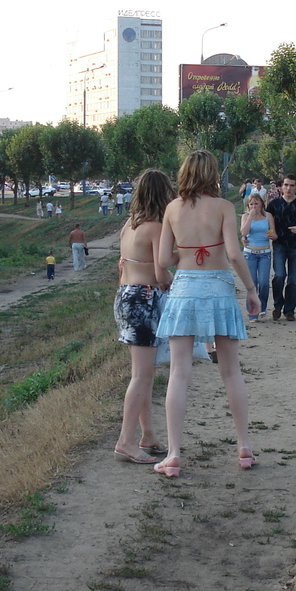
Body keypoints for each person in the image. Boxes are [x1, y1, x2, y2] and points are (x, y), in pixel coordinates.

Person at [152, 150, 260, 478]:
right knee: (231, 372)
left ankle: (172, 454)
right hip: (219, 290)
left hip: (185, 291)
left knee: (179, 374)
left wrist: (182, 256)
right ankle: (243, 446)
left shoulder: (172, 209)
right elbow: (234, 254)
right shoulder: (225, 208)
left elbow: (163, 262)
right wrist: (252, 291)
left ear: (184, 173)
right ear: (213, 174)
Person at [113, 169, 178, 464]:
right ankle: (126, 440)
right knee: (142, 375)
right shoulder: (154, 227)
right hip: (144, 299)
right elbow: (160, 272)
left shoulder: (129, 225)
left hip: (125, 297)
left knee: (142, 373)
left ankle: (147, 435)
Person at [267, 173, 296, 321]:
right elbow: (267, 221)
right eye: (286, 185)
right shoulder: (274, 204)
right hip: (279, 245)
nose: (288, 188)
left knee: (294, 279)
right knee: (279, 275)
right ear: (281, 187)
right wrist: (271, 232)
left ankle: (290, 310)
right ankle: (277, 305)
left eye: (292, 185)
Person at [239, 192, 274, 319]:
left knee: (264, 282)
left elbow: (273, 233)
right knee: (252, 283)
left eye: (256, 203)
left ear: (261, 204)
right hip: (250, 254)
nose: (254, 206)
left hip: (264, 253)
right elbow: (243, 232)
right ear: (248, 206)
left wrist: (272, 235)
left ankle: (262, 307)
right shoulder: (245, 216)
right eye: (251, 204)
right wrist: (250, 218)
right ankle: (253, 312)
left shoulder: (268, 216)